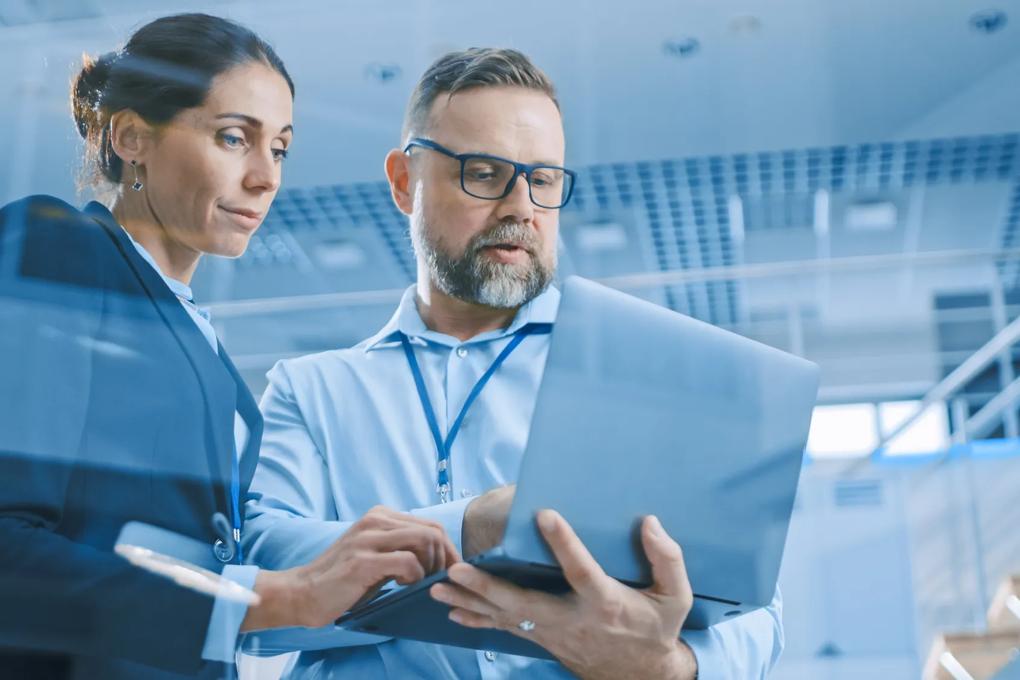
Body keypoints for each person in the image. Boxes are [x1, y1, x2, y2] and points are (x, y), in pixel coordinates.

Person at [243, 48, 784, 678]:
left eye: (544, 179)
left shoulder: (649, 376)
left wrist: (671, 665)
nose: (521, 206)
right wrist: (468, 528)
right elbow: (257, 595)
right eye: (484, 172)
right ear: (403, 182)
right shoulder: (312, 392)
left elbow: (757, 613)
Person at [0, 14, 456, 680]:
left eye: (280, 148)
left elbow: (169, 570)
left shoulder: (205, 346)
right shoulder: (61, 248)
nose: (265, 176)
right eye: (233, 137)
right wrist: (275, 595)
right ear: (131, 137)